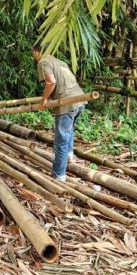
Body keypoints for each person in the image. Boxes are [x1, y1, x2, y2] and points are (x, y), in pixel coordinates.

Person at [33, 42, 87, 182]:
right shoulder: (60, 62)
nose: (35, 57)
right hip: (80, 100)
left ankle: (59, 175)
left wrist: (44, 100)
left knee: (61, 141)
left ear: (37, 52)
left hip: (66, 104)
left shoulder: (43, 62)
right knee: (69, 130)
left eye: (34, 54)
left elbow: (51, 82)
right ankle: (69, 156)